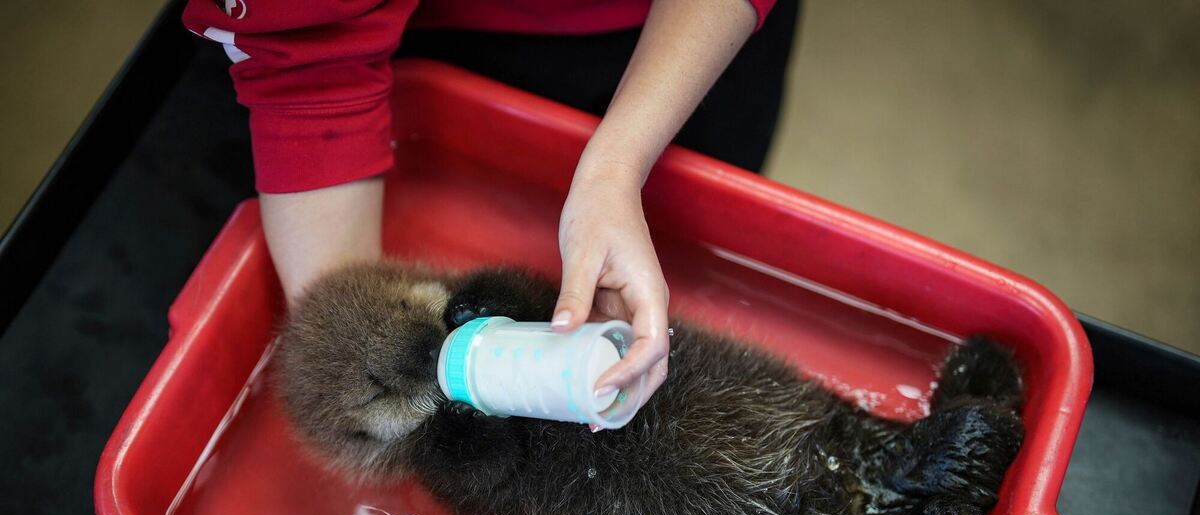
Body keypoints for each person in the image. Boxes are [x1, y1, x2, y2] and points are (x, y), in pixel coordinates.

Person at [183, 0, 798, 408]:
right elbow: (308, 66)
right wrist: (349, 350)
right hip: (420, 32)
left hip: (671, 35)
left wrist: (617, 165)